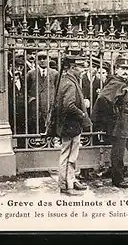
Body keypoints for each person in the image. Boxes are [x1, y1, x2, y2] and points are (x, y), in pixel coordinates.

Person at [91, 56, 128, 188]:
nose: (125, 71)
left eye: (127, 69)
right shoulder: (114, 83)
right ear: (116, 69)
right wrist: (113, 114)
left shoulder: (123, 82)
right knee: (118, 152)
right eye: (122, 69)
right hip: (120, 122)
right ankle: (117, 180)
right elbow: (103, 99)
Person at [50, 54, 91, 196]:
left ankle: (70, 181)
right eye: (80, 68)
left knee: (69, 155)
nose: (83, 70)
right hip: (70, 126)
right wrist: (83, 114)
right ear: (73, 68)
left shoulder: (68, 80)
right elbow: (69, 106)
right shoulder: (69, 83)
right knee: (68, 156)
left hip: (70, 125)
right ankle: (66, 185)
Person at [26, 50, 60, 135]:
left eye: (44, 58)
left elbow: (58, 89)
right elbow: (26, 89)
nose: (42, 60)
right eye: (39, 58)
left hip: (50, 105)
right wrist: (31, 100)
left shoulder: (55, 73)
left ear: (49, 59)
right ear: (36, 60)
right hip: (35, 106)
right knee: (35, 127)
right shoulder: (31, 74)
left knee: (50, 127)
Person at [8, 55, 27, 145]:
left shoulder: (23, 80)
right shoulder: (6, 78)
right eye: (16, 67)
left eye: (21, 67)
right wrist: (12, 81)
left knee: (21, 133)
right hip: (10, 112)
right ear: (11, 66)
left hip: (22, 112)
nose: (18, 69)